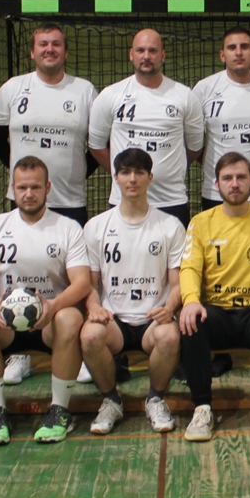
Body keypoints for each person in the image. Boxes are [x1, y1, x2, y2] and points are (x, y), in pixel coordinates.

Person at [0, 23, 97, 386]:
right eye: (42, 44)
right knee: (19, 271)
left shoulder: (84, 91)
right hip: (25, 203)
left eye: (56, 44)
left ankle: (74, 351)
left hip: (70, 200)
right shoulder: (12, 89)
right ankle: (19, 353)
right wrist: (26, 181)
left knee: (73, 280)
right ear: (32, 51)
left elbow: (97, 142)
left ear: (65, 51)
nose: (49, 49)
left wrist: (76, 174)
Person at [0, 156, 92, 444]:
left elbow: (82, 282)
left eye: (35, 187)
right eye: (22, 187)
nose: (28, 194)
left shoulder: (67, 227)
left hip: (50, 321)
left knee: (70, 318)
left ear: (47, 188)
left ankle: (59, 410)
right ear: (12, 189)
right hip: (7, 323)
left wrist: (53, 307)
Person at [178, 152, 250, 442]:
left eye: (241, 177)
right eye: (228, 178)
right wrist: (191, 300)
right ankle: (202, 408)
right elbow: (190, 267)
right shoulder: (200, 223)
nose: (234, 184)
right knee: (191, 321)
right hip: (217, 312)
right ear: (216, 184)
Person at [80, 148, 185, 435]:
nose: (132, 179)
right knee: (89, 336)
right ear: (115, 177)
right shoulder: (96, 227)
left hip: (154, 318)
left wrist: (170, 308)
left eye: (139, 172)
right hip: (113, 319)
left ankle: (155, 400)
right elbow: (90, 284)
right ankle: (111, 401)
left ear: (150, 177)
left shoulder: (169, 226)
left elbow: (177, 283)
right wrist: (94, 307)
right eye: (126, 172)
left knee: (170, 336)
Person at [88, 28, 205, 228]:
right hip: (125, 201)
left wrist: (171, 169)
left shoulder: (184, 96)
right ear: (131, 54)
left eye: (152, 51)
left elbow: (195, 147)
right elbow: (96, 146)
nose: (146, 56)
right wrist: (124, 173)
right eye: (140, 50)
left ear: (163, 56)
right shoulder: (110, 95)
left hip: (171, 201)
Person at [193, 26, 250, 214]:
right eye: (232, 47)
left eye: (244, 47)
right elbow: (194, 143)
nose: (239, 52)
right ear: (222, 55)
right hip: (218, 194)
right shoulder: (204, 89)